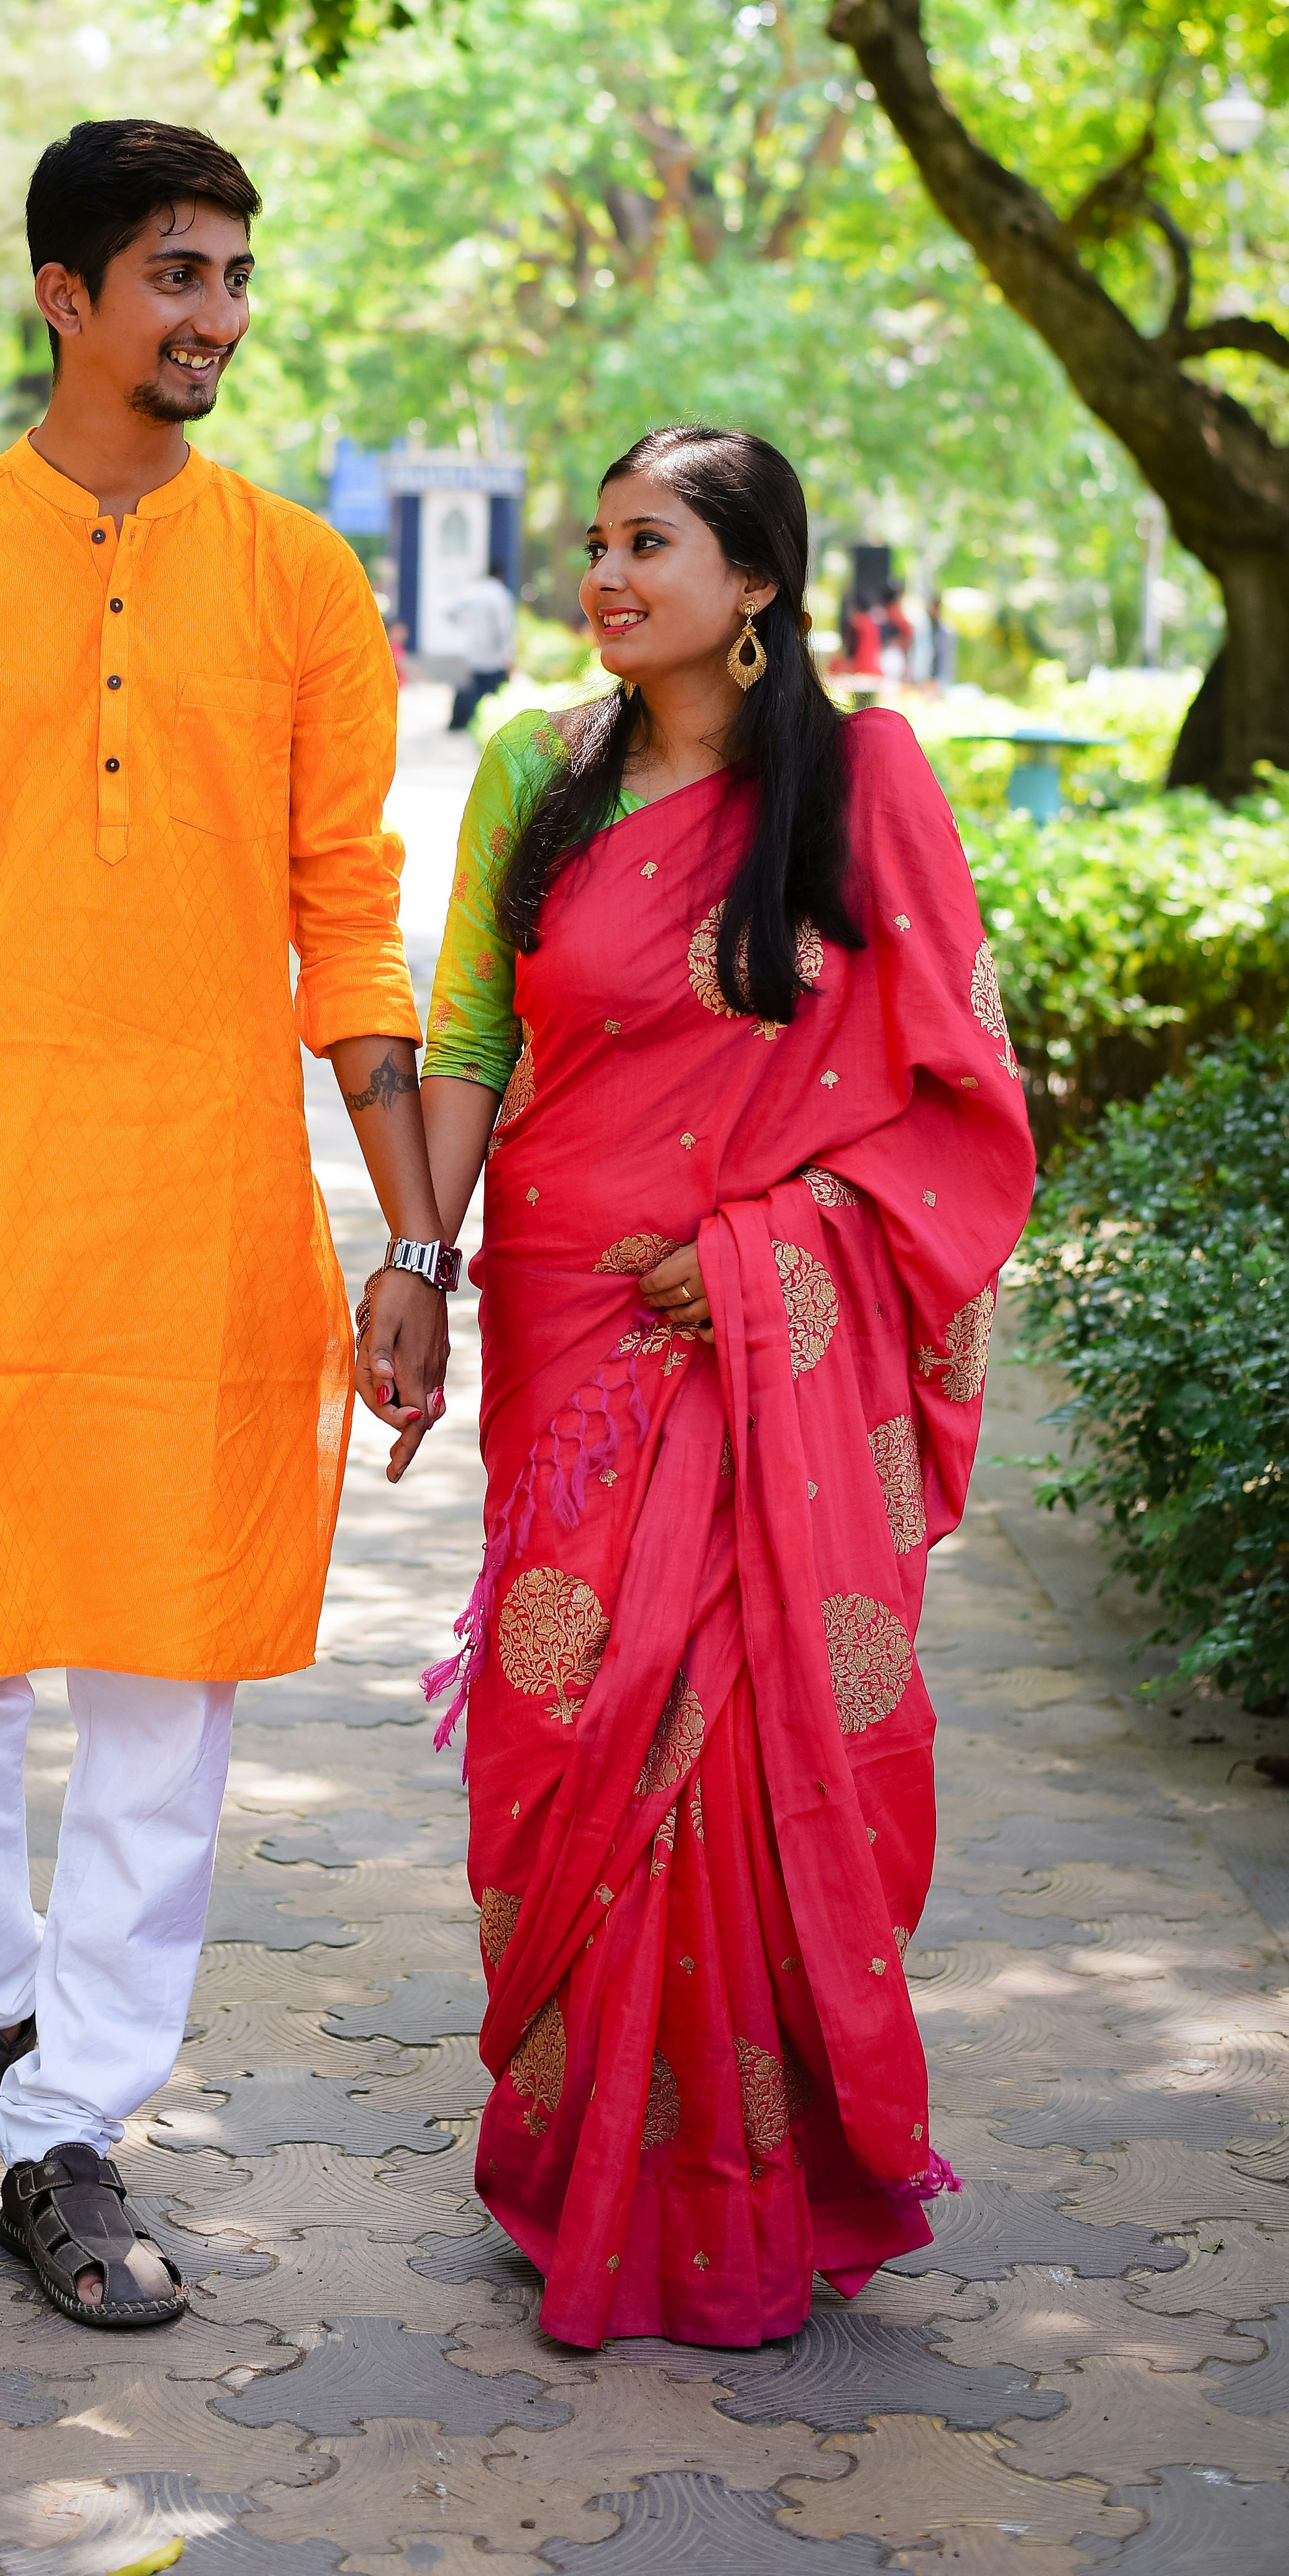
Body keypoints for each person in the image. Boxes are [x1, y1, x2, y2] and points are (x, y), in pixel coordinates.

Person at [0, 117, 453, 2331]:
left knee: (165, 1669)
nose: (212, 313)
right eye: (172, 275)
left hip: (196, 1204)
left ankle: (71, 2128)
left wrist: (410, 1242)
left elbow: (350, 924)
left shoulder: (304, 581)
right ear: (62, 292)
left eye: (232, 275)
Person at [412, 423, 1034, 2350]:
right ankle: (582, 2138)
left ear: (754, 581)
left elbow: (960, 1099)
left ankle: (744, 2170)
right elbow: (467, 1035)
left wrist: (771, 1251)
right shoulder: (540, 770)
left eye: (651, 543)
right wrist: (415, 1261)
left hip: (766, 1348)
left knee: (750, 1737)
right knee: (560, 1720)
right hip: (571, 1331)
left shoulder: (858, 788)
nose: (606, 576)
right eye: (594, 543)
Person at [446, 556, 520, 734]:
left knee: (475, 691)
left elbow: (451, 612)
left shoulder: (474, 592)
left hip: (475, 653)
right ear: (501, 576)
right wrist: (508, 657)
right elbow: (504, 630)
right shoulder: (501, 596)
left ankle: (468, 724)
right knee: (492, 698)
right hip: (494, 657)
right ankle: (486, 730)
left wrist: (466, 625)